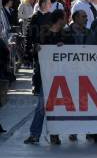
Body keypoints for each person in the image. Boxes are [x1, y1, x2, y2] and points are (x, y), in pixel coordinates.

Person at [24, 9, 69, 145]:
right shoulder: (44, 32)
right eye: (64, 18)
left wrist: (64, 46)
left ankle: (53, 134)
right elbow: (35, 52)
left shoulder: (65, 34)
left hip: (61, 75)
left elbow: (72, 50)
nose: (66, 20)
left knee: (56, 106)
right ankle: (35, 134)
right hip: (46, 74)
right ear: (59, 19)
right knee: (42, 105)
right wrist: (36, 49)